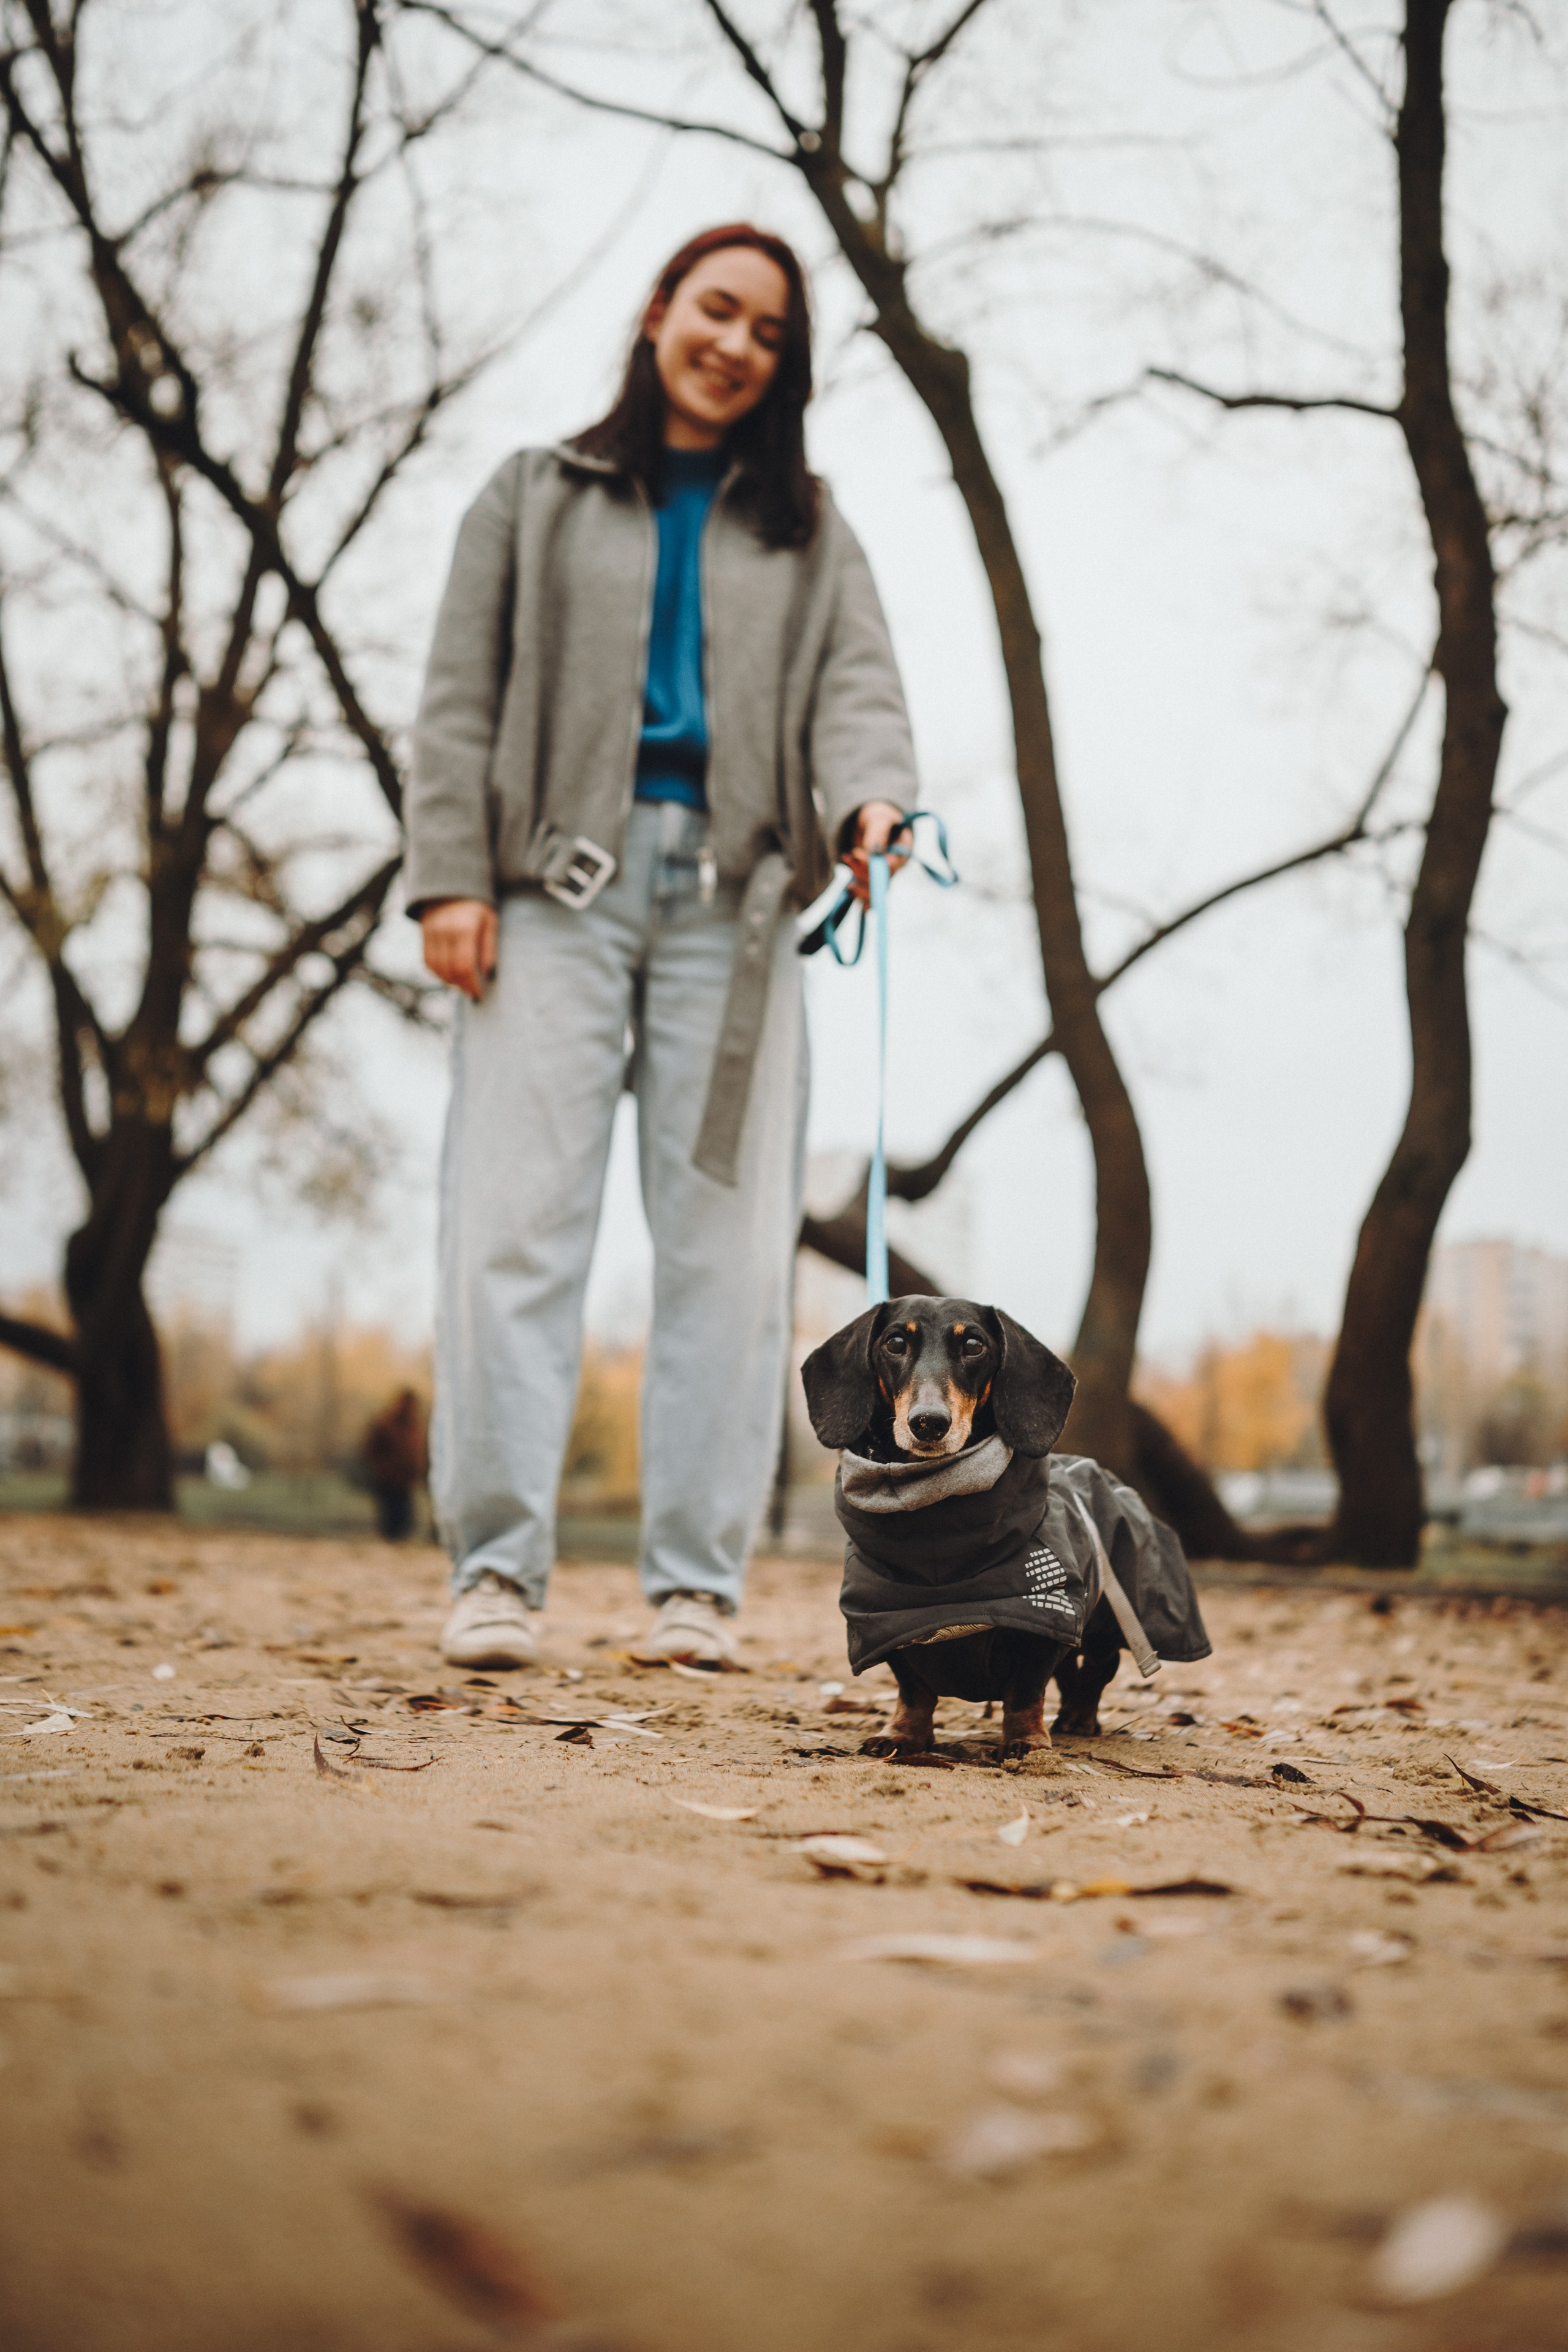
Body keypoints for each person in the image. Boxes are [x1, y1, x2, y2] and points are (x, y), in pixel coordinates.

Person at [405, 222, 917, 1671]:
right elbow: (456, 693)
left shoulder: (809, 528)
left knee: (729, 1256)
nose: (735, 345)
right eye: (716, 310)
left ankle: (693, 1586)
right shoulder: (533, 493)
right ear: (655, 312)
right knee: (513, 1226)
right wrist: (450, 874)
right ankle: (495, 1571)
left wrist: (874, 798)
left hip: (734, 916)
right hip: (544, 898)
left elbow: (859, 693)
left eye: (768, 332)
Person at [360, 1389, 429, 1542]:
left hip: (406, 1482)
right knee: (392, 1521)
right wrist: (383, 1470)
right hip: (389, 1482)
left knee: (406, 1520)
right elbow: (371, 1449)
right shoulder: (385, 1423)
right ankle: (390, 1548)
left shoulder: (415, 1426)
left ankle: (398, 1548)